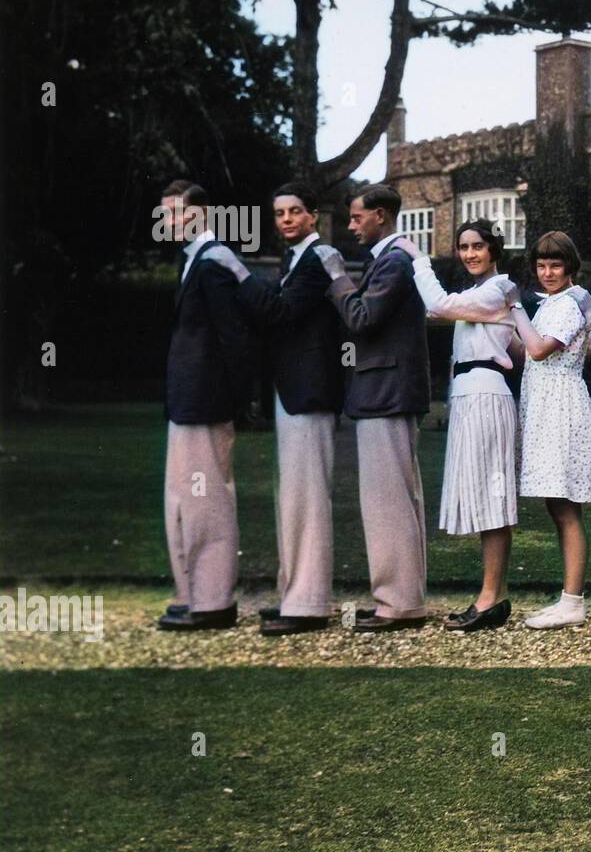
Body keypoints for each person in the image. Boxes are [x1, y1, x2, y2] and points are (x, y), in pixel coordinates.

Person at [206, 182, 343, 636]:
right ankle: (295, 596)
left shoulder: (318, 260)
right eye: (279, 212)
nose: (285, 219)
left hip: (309, 393)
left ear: (312, 216)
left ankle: (308, 605)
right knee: (292, 497)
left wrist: (240, 274)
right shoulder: (296, 261)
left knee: (306, 499)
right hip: (292, 392)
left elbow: (281, 313)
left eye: (294, 212)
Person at [317, 184, 431, 633]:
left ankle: (398, 604)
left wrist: (336, 277)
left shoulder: (396, 261)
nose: (350, 226)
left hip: (387, 393)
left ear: (381, 216)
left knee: (388, 502)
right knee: (396, 498)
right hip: (385, 391)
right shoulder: (396, 258)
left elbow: (362, 317)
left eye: (356, 218)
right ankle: (402, 599)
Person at [400, 221, 521, 632]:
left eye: (477, 247)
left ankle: (489, 598)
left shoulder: (499, 289)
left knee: (492, 495)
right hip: (470, 394)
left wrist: (420, 261)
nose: (470, 254)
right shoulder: (477, 294)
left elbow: (437, 306)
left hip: (487, 394)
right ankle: (494, 595)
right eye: (464, 247)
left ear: (493, 250)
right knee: (487, 495)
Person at [156, 180, 252, 631]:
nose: (171, 222)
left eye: (178, 214)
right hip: (185, 401)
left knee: (205, 500)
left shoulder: (214, 263)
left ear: (201, 213)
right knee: (181, 501)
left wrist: (235, 401)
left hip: (208, 403)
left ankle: (213, 601)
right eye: (166, 215)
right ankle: (192, 594)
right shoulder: (191, 260)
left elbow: (234, 338)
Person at [505, 231, 591, 630]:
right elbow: (523, 352)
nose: (547, 272)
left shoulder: (569, 303)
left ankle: (574, 601)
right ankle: (567, 597)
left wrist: (514, 308)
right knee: (555, 505)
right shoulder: (550, 304)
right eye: (541, 266)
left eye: (555, 265)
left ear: (570, 267)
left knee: (565, 506)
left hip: (563, 408)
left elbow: (541, 349)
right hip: (544, 406)